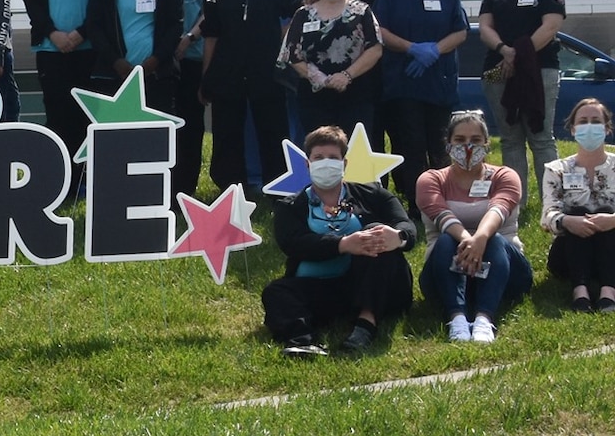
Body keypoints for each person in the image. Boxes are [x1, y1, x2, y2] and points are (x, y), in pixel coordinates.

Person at [263, 124, 417, 356]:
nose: (326, 162)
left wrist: (398, 237)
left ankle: (366, 323)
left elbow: (407, 226)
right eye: (319, 157)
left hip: (372, 281)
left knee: (375, 231)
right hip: (322, 287)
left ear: (344, 164)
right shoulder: (290, 206)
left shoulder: (375, 196)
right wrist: (344, 244)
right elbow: (294, 243)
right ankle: (302, 339)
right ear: (308, 164)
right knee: (275, 292)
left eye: (333, 157)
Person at [200, 0, 300, 202]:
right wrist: (206, 78)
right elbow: (211, 37)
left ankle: (279, 188)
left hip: (267, 73)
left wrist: (285, 42)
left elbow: (298, 13)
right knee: (227, 134)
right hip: (227, 74)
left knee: (273, 131)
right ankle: (231, 189)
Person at [372, 0, 468, 210]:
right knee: (410, 144)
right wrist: (411, 48)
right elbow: (380, 29)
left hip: (439, 80)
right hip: (403, 83)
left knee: (440, 145)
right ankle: (417, 204)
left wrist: (435, 50)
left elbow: (460, 30)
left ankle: (445, 200)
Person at [415, 110, 531, 342]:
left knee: (495, 238)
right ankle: (456, 318)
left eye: (475, 140)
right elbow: (442, 215)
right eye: (459, 140)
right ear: (448, 145)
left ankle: (484, 319)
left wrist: (480, 239)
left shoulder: (505, 176)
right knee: (447, 238)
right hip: (443, 273)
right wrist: (468, 240)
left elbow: (499, 209)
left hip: (505, 272)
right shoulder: (430, 179)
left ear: (487, 145)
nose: (468, 146)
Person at [478, 0, 566, 200]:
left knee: (540, 137)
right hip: (496, 70)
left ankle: (551, 201)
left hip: (541, 70)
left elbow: (551, 26)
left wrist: (519, 56)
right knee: (510, 138)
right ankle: (515, 200)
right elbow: (484, 28)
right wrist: (504, 50)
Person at [23, 0, 112, 169]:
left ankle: (88, 178)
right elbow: (32, 1)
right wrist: (53, 33)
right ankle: (62, 177)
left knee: (88, 115)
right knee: (59, 114)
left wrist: (82, 33)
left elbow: (106, 0)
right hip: (52, 51)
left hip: (89, 50)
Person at [152, 0, 215, 200]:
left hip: (191, 56)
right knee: (162, 125)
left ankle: (184, 190)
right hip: (159, 59)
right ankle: (158, 188)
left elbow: (209, 11)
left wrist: (189, 37)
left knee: (190, 127)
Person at [282, 0, 383, 135]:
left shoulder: (362, 11)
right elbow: (292, 55)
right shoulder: (302, 15)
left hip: (356, 96)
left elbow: (375, 49)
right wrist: (319, 78)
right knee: (320, 151)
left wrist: (346, 75)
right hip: (313, 98)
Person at [541, 98, 615, 312]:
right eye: (583, 121)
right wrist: (568, 221)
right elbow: (548, 215)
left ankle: (608, 292)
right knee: (577, 213)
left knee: (606, 212)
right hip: (569, 253)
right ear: (573, 130)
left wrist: (611, 221)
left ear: (607, 128)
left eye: (595, 121)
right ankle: (579, 291)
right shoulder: (556, 169)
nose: (589, 126)